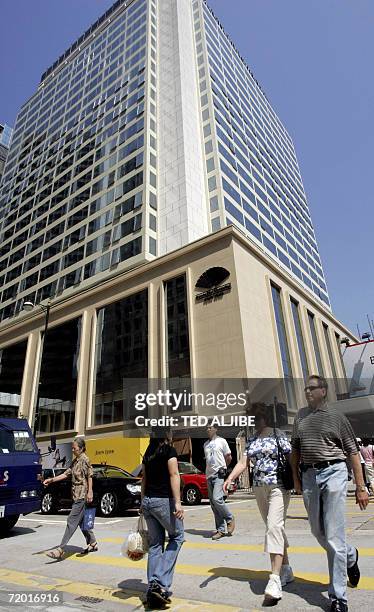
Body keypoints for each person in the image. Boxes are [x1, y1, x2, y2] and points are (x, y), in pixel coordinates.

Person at [291, 374, 369, 612]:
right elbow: (295, 451)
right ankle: (351, 556)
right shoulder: (300, 417)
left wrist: (361, 486)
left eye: (312, 388)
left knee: (334, 536)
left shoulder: (337, 416)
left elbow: (353, 452)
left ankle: (338, 597)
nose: (307, 392)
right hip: (309, 476)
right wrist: (296, 479)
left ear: (323, 391)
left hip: (334, 471)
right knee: (318, 531)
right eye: (306, 388)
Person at [224, 404, 294, 601]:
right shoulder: (253, 438)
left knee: (273, 527)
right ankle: (286, 569)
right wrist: (230, 478)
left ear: (263, 417)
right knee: (275, 528)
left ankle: (274, 580)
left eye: (254, 417)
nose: (253, 421)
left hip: (278, 486)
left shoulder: (277, 433)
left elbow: (290, 458)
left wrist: (298, 483)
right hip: (258, 488)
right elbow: (242, 462)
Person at [141, 430, 184, 608]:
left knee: (156, 544)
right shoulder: (169, 450)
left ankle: (152, 587)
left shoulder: (148, 453)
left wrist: (142, 502)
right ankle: (159, 582)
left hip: (148, 501)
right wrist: (178, 503)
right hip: (163, 501)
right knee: (178, 537)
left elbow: (144, 479)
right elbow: (174, 475)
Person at [43, 437, 97, 559]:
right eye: (72, 448)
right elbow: (65, 474)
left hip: (82, 494)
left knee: (71, 520)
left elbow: (90, 476)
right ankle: (93, 543)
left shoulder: (85, 460)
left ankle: (61, 549)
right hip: (76, 495)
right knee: (81, 522)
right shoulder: (75, 461)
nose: (73, 450)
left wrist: (90, 492)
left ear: (82, 448)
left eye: (75, 448)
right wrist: (51, 480)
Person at [204, 423, 235, 539]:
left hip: (218, 474)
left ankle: (229, 518)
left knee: (217, 499)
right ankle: (220, 530)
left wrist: (224, 467)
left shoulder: (222, 441)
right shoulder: (205, 445)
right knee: (213, 504)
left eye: (210, 427)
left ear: (216, 429)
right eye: (207, 428)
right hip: (209, 475)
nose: (208, 429)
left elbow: (229, 457)